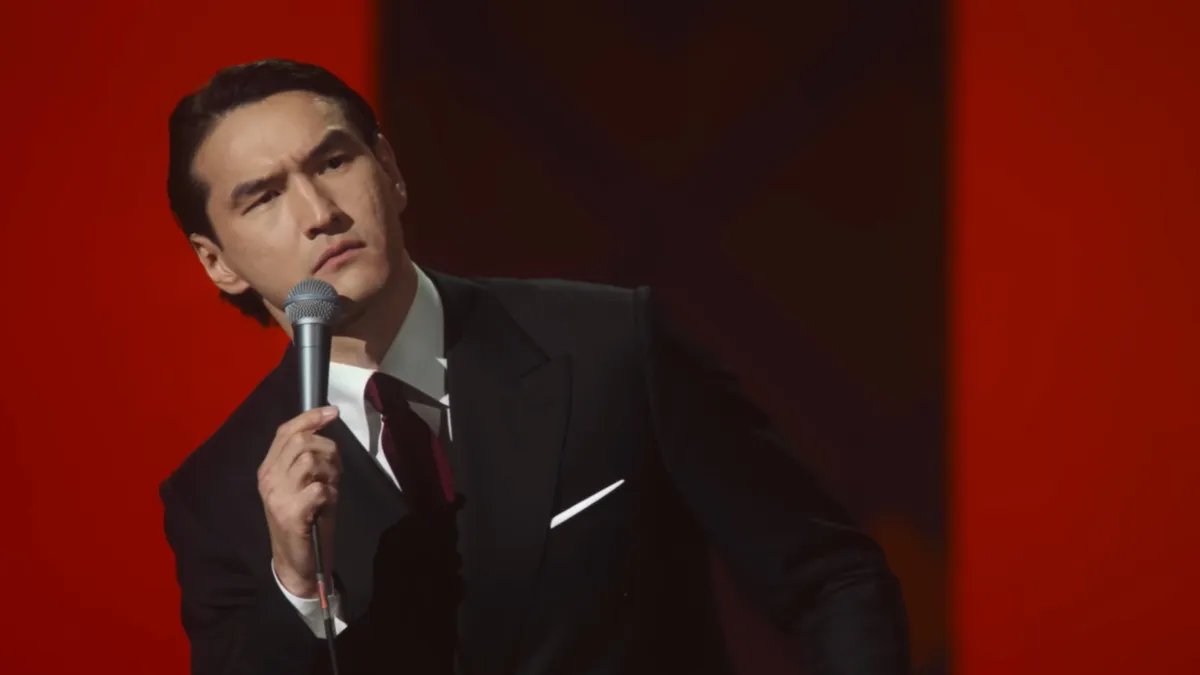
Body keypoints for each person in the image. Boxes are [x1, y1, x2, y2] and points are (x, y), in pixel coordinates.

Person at [159, 59, 911, 675]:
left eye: (333, 161)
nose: (319, 211)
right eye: (264, 197)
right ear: (217, 262)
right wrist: (296, 583)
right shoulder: (217, 497)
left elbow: (831, 578)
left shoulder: (609, 344)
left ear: (389, 167)